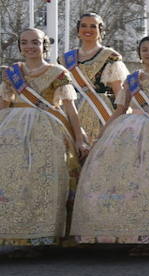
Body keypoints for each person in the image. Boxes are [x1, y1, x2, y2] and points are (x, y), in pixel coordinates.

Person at [71, 36, 149, 251]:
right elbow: (119, 109)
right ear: (139, 53)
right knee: (120, 179)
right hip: (128, 131)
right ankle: (116, 231)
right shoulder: (132, 79)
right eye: (145, 49)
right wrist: (102, 136)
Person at [0, 28, 85, 249]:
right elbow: (4, 103)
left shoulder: (58, 72)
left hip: (48, 128)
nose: (30, 47)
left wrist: (79, 138)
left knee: (44, 176)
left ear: (44, 45)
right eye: (25, 42)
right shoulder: (13, 73)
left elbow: (70, 109)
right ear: (20, 46)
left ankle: (44, 233)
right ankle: (11, 231)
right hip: (12, 128)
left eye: (35, 42)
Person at [63, 12, 128, 143]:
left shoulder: (110, 57)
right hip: (71, 112)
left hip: (102, 113)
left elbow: (120, 94)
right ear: (78, 30)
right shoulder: (65, 59)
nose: (88, 29)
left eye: (93, 26)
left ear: (100, 31)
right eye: (84, 26)